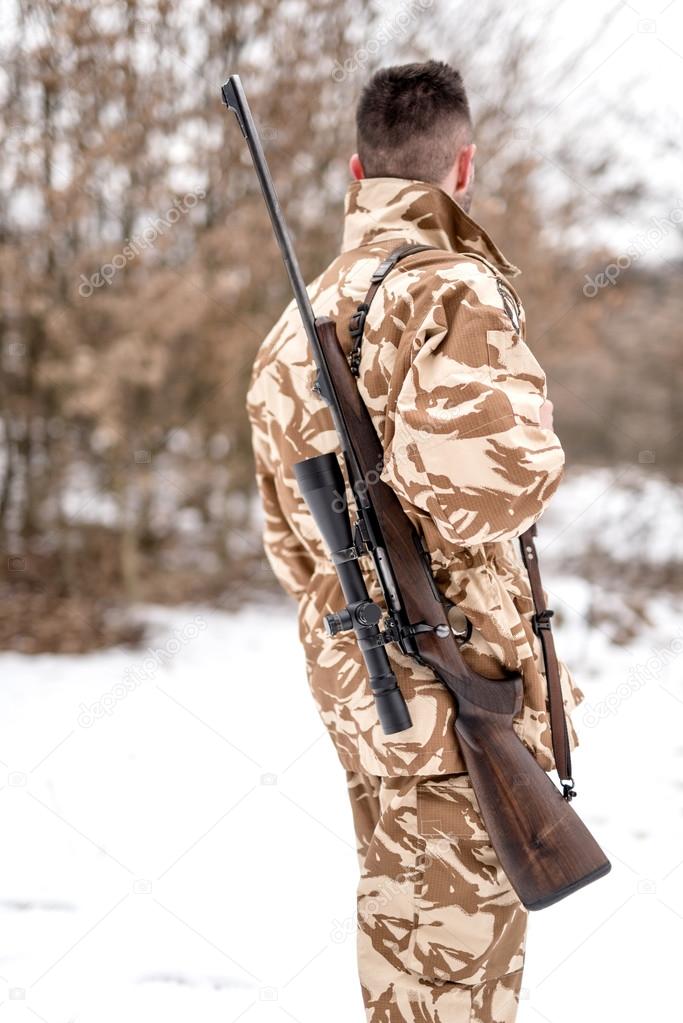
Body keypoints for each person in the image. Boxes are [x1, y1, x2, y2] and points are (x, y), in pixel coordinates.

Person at [246, 60, 583, 1023]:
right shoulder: (447, 292)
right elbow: (498, 493)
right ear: (462, 168)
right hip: (452, 691)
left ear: (357, 174)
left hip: (364, 690)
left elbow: (291, 543)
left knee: (404, 936)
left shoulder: (292, 323)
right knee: (460, 970)